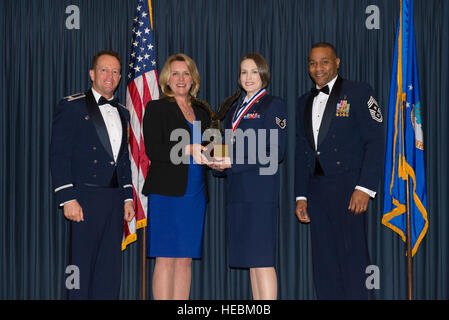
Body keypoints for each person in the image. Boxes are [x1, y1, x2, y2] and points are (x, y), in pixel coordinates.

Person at [294, 42, 384, 299]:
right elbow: (302, 152)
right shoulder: (303, 101)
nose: (317, 68)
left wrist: (364, 187)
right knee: (324, 265)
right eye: (312, 62)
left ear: (337, 62)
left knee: (353, 262)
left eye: (324, 61)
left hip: (349, 189)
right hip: (317, 191)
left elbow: (376, 142)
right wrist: (301, 195)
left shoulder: (358, 92)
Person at [50, 50, 135, 299]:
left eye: (115, 71)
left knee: (109, 271)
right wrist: (67, 198)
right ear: (92, 73)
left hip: (114, 200)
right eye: (104, 70)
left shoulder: (122, 111)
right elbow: (59, 154)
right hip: (84, 198)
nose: (110, 76)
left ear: (120, 77)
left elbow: (123, 159)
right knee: (80, 269)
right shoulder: (72, 106)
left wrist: (128, 197)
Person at [211, 53, 287, 300]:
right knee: (252, 262)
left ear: (264, 74)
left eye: (254, 71)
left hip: (260, 194)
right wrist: (214, 159)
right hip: (238, 194)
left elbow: (275, 151)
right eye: (244, 72)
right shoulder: (234, 108)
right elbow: (231, 147)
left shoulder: (273, 104)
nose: (248, 77)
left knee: (263, 261)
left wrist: (232, 161)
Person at [141, 53, 211, 300]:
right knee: (166, 259)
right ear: (166, 79)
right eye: (175, 73)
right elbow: (154, 150)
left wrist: (220, 161)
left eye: (186, 73)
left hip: (195, 193)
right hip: (166, 193)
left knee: (185, 261)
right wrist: (188, 149)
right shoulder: (157, 107)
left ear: (193, 78)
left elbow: (209, 147)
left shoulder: (202, 112)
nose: (181, 78)